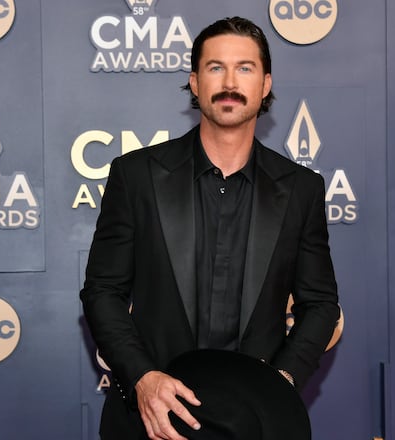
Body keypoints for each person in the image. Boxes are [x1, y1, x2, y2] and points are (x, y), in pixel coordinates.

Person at [80, 16, 339, 440]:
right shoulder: (137, 175)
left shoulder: (301, 190)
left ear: (266, 83)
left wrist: (283, 380)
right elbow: (103, 291)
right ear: (195, 83)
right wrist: (143, 378)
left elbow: (321, 303)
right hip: (152, 419)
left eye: (245, 68)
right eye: (215, 67)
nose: (230, 81)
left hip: (257, 422)